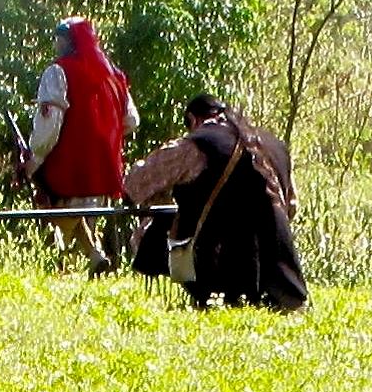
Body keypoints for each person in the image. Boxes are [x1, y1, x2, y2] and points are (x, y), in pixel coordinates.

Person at [123, 94, 307, 311]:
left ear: (193, 120)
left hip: (220, 266)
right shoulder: (273, 145)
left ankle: (207, 294)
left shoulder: (198, 144)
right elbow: (292, 206)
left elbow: (134, 185)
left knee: (153, 231)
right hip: (283, 274)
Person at [27, 16, 139, 278]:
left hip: (70, 165)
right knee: (80, 217)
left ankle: (52, 272)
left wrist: (35, 157)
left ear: (70, 41)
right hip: (104, 169)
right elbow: (131, 120)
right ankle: (95, 256)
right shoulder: (114, 76)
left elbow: (50, 125)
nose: (57, 44)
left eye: (61, 39)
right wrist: (104, 134)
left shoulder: (58, 72)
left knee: (56, 220)